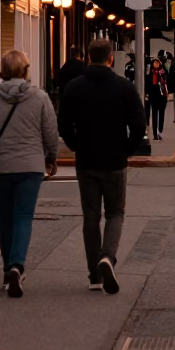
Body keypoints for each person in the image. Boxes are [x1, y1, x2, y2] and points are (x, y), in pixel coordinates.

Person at [0, 49, 58, 298]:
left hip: (0, 168)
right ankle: (18, 265)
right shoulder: (39, 97)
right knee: (24, 216)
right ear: (26, 70)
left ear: (2, 71)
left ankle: (8, 270)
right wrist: (51, 158)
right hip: (30, 166)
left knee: (4, 218)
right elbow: (50, 131)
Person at [58, 37, 146, 295]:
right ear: (110, 59)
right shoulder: (124, 87)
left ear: (88, 57)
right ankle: (108, 256)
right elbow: (139, 125)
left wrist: (75, 145)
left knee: (91, 215)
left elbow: (63, 125)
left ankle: (94, 275)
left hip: (86, 159)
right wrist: (127, 150)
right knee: (116, 212)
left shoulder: (74, 88)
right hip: (115, 159)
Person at [146, 51, 169, 140]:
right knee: (157, 114)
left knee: (157, 114)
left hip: (158, 96)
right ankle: (158, 133)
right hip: (158, 96)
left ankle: (158, 132)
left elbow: (167, 82)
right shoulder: (161, 71)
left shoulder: (156, 72)